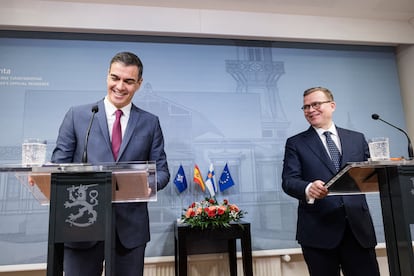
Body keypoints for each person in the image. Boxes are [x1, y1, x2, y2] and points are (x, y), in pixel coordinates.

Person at [51, 51, 170, 276]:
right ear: (107, 76)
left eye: (128, 81)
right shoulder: (77, 116)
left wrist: (150, 184)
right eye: (115, 78)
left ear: (139, 84)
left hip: (129, 231)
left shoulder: (150, 123)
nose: (120, 86)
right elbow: (59, 165)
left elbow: (162, 171)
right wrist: (44, 177)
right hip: (81, 226)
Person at [281, 87, 380, 276]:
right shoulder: (295, 143)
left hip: (358, 231)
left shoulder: (357, 139)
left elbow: (372, 172)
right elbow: (288, 181)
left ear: (332, 105)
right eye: (306, 107)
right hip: (318, 232)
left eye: (316, 104)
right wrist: (309, 188)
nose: (310, 110)